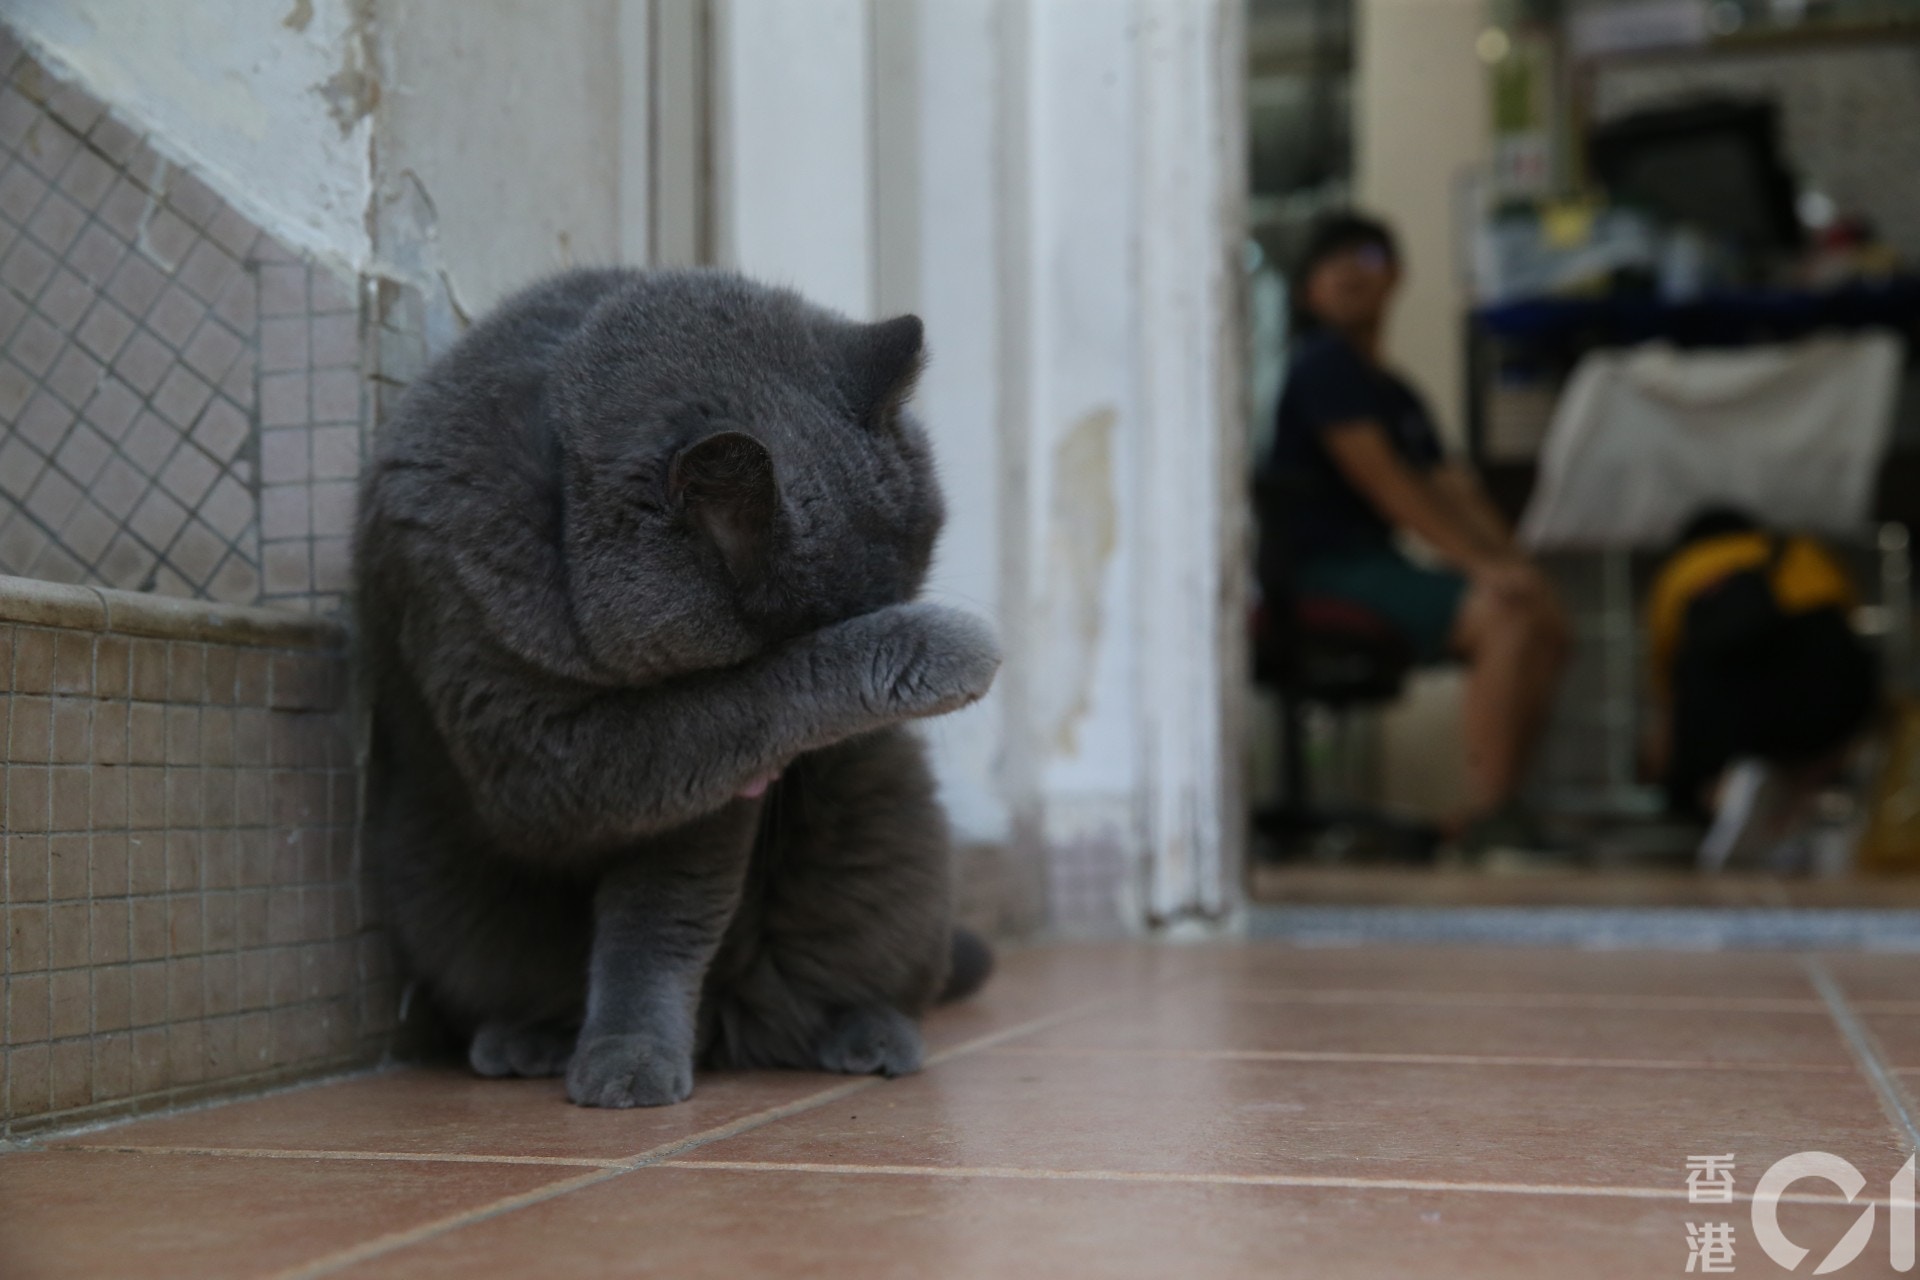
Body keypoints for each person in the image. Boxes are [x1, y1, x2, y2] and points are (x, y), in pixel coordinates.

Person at [1257, 212, 1571, 852]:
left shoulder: (1396, 392)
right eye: (1330, 262)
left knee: (1543, 616)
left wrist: (1516, 565)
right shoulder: (1322, 366)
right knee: (1501, 615)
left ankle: (1498, 804)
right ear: (1307, 291)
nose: (1349, 272)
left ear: (1396, 276)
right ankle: (1488, 817)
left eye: (1366, 258)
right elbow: (1387, 484)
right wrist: (1483, 571)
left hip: (1378, 566)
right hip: (1323, 571)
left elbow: (1456, 491)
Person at [1644, 507, 1881, 864]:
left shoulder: (1684, 568)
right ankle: (1799, 816)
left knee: (1704, 751)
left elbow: (1668, 678)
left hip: (1728, 699)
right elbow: (1848, 634)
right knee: (1820, 734)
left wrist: (1676, 771)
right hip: (1823, 689)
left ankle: (1724, 794)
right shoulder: (1805, 552)